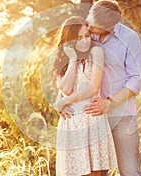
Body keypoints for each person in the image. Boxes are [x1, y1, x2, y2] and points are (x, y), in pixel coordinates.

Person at [50, 16, 117, 176]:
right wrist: (73, 60)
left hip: (90, 118)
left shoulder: (96, 52)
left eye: (87, 35)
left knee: (93, 173)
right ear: (69, 40)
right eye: (79, 38)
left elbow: (93, 87)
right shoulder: (62, 60)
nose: (85, 41)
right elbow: (65, 88)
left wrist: (65, 101)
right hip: (71, 123)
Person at [85, 0, 141, 176]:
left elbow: (136, 80)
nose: (89, 28)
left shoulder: (129, 38)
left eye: (94, 27)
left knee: (129, 170)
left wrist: (110, 103)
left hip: (122, 115)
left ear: (109, 26)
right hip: (92, 117)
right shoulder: (87, 36)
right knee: (96, 172)